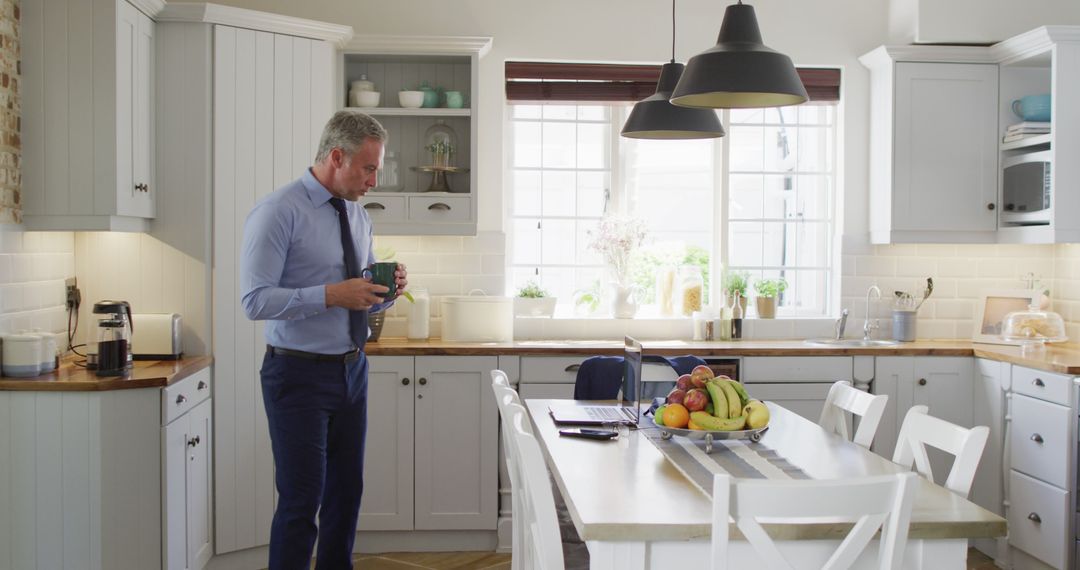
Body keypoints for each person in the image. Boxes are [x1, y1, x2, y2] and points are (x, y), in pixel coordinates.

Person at [239, 110, 407, 570]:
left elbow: (362, 298)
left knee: (345, 495)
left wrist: (383, 293)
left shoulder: (357, 214)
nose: (375, 180)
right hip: (297, 374)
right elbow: (254, 301)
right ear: (337, 156)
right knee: (300, 503)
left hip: (352, 369)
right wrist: (332, 295)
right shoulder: (278, 212)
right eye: (369, 168)